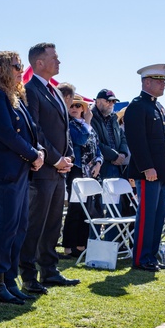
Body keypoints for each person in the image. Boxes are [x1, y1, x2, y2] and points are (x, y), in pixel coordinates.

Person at [0, 52, 44, 304]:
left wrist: (39, 151)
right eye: (16, 66)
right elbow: (7, 133)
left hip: (20, 171)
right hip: (7, 172)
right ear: (1, 69)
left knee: (19, 226)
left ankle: (9, 280)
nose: (21, 70)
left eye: (21, 66)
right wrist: (33, 155)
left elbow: (31, 129)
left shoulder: (16, 97)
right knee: (6, 227)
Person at [19, 43, 77, 292]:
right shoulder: (31, 90)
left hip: (59, 170)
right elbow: (36, 130)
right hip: (43, 169)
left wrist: (69, 157)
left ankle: (50, 270)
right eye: (54, 57)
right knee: (36, 224)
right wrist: (55, 159)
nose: (59, 61)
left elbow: (64, 130)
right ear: (39, 63)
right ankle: (29, 276)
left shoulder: (53, 91)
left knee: (53, 223)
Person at [124, 64, 165, 272]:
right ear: (146, 82)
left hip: (161, 171)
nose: (163, 85)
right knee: (146, 216)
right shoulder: (137, 106)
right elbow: (136, 141)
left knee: (158, 215)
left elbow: (161, 142)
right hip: (149, 172)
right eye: (159, 81)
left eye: (164, 81)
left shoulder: (158, 107)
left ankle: (151, 256)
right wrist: (146, 167)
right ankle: (141, 259)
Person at [60, 96, 103, 259]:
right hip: (77, 171)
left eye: (78, 105)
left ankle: (81, 244)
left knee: (87, 210)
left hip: (91, 172)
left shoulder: (88, 126)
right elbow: (81, 139)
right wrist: (88, 123)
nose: (74, 108)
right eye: (71, 105)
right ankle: (69, 246)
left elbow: (97, 148)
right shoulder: (69, 125)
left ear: (83, 109)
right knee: (75, 208)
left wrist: (98, 163)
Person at [90, 89, 129, 182]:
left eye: (113, 101)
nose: (111, 103)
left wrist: (123, 154)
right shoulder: (90, 117)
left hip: (117, 166)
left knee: (117, 195)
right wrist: (115, 156)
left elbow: (123, 137)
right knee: (101, 195)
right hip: (100, 166)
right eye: (108, 101)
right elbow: (94, 142)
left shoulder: (113, 118)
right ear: (97, 101)